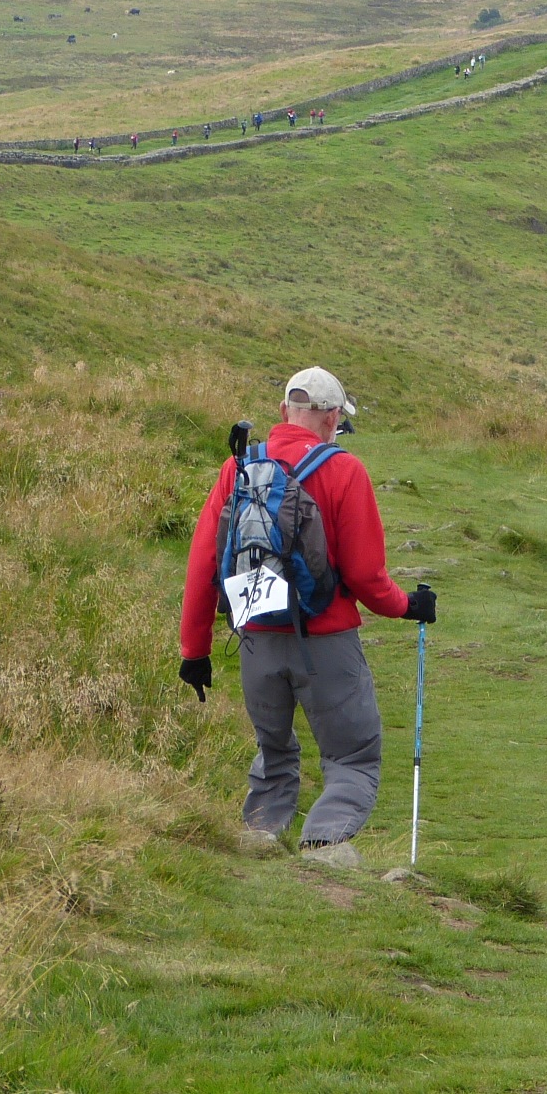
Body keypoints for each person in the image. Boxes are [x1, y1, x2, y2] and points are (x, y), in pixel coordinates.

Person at [178, 367, 436, 865]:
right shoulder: (344, 471)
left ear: (283, 413)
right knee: (352, 757)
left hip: (255, 640)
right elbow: (365, 576)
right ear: (334, 417)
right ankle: (323, 851)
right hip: (325, 643)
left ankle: (259, 840)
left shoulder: (239, 468)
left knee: (274, 754)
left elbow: (203, 563)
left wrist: (196, 651)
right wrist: (408, 606)